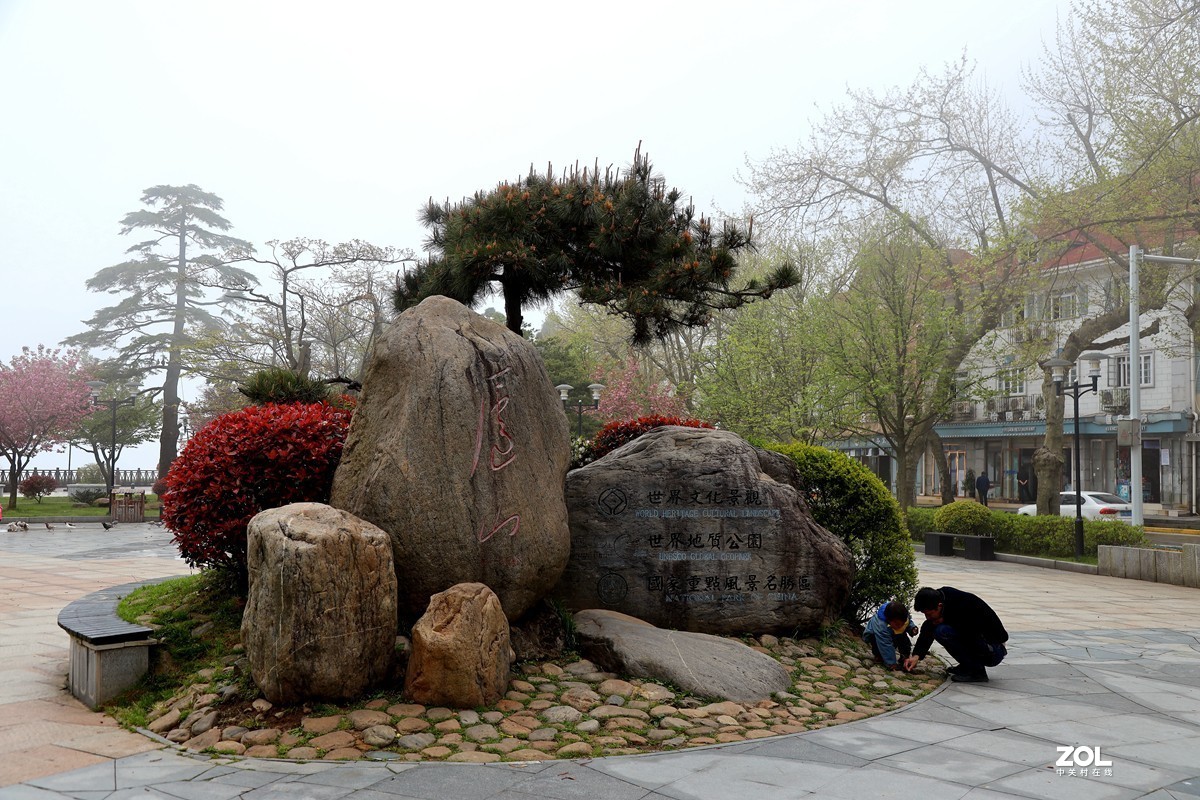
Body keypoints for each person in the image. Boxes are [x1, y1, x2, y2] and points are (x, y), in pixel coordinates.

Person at [903, 586, 1008, 683]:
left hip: (994, 649)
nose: (927, 617)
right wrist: (916, 656)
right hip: (983, 643)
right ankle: (967, 666)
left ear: (939, 606)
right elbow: (928, 627)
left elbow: (971, 634)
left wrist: (944, 620)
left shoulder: (962, 606)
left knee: (943, 631)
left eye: (929, 614)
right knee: (937, 627)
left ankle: (977, 672)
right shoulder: (939, 599)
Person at [862, 601, 918, 670]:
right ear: (889, 620)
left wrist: (912, 628)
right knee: (880, 645)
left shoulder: (902, 616)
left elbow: (908, 622)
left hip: (893, 633)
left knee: (904, 639)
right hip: (877, 638)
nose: (900, 626)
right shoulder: (881, 625)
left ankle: (904, 658)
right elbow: (885, 644)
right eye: (897, 624)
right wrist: (891, 663)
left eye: (902, 623)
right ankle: (880, 656)